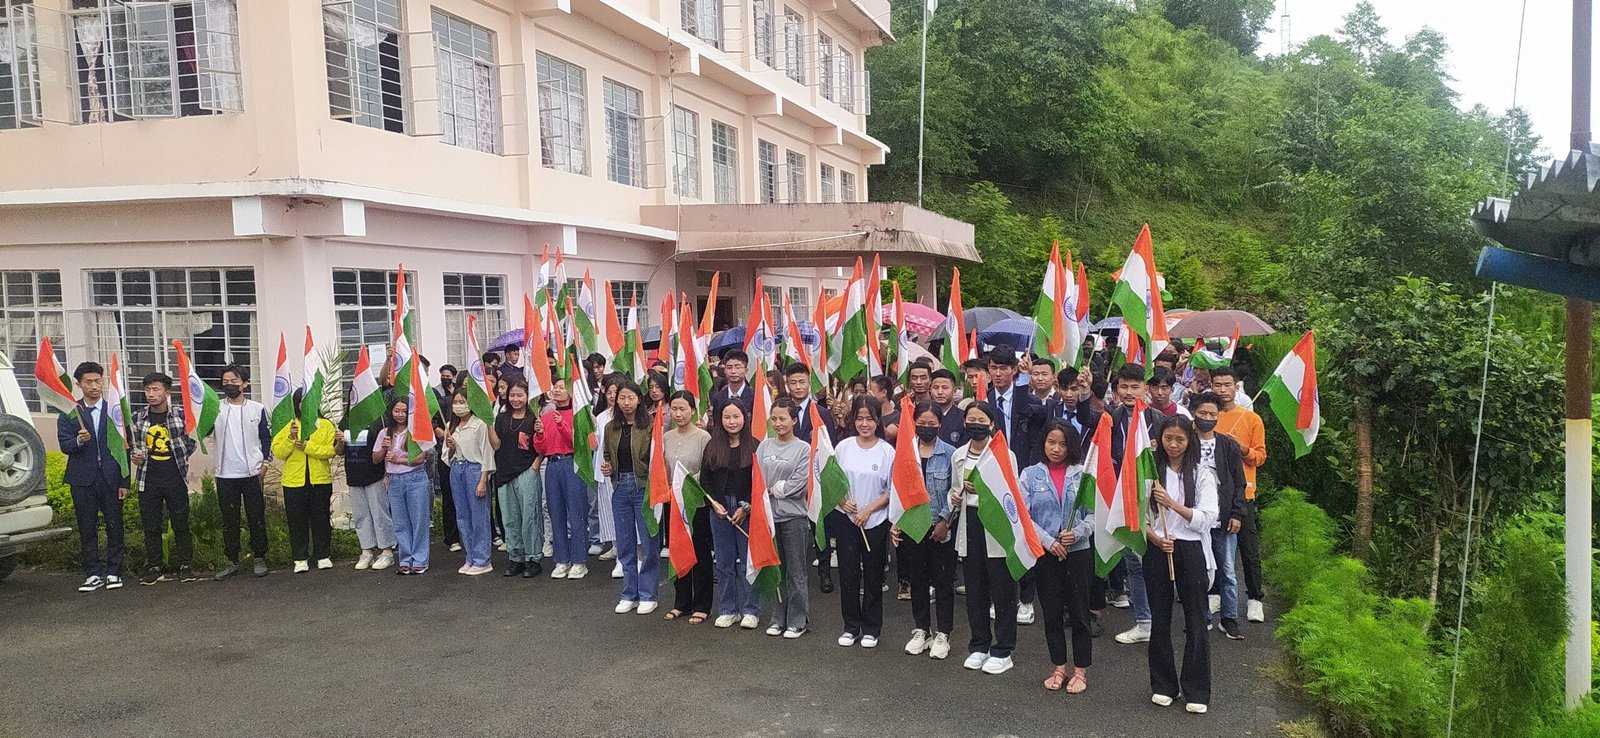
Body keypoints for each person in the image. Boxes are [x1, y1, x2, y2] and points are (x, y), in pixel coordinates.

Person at [1144, 415, 1218, 715]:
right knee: (1159, 619)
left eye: (1180, 439)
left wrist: (1172, 504)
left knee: (1196, 619)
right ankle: (1163, 685)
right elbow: (1137, 517)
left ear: (1190, 441)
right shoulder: (1150, 473)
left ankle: (1197, 689)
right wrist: (1155, 538)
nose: (1173, 445)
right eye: (1168, 439)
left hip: (1191, 549)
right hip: (1158, 547)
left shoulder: (1202, 474)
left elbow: (1208, 518)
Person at [1022, 420, 1094, 694]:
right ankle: (1059, 667)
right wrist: (1048, 541)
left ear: (1071, 446)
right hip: (1046, 554)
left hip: (1077, 553)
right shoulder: (1030, 475)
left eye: (1063, 444)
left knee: (1079, 614)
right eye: (1051, 442)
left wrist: (1077, 533)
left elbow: (1094, 514)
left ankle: (1080, 670)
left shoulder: (1083, 475)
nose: (1056, 449)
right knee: (1051, 613)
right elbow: (1024, 516)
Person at [951, 401, 1019, 674]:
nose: (975, 425)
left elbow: (1012, 494)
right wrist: (956, 496)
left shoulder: (1005, 455)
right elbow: (954, 489)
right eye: (971, 420)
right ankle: (979, 645)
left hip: (996, 525)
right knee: (975, 589)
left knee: (1002, 590)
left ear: (991, 424)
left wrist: (983, 488)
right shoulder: (959, 455)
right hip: (969, 524)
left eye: (981, 420)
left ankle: (1003, 649)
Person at [1107, 364, 1168, 645]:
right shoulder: (1111, 418)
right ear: (1117, 389)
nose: (1129, 392)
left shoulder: (1159, 420)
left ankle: (1161, 619)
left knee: (1157, 561)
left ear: (1146, 388)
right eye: (1124, 387)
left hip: (1155, 500)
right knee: (1133, 562)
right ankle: (1144, 622)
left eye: (1135, 387)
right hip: (1123, 497)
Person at [893, 402, 957, 659]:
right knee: (917, 581)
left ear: (940, 424)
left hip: (940, 527)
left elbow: (955, 491)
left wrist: (944, 521)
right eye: (921, 423)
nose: (926, 428)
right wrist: (896, 522)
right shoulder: (906, 452)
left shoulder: (951, 454)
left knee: (943, 582)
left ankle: (944, 633)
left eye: (932, 424)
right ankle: (922, 629)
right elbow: (897, 489)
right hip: (913, 526)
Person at [58, 362, 128, 592]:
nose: (94, 386)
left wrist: (124, 481)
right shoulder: (70, 412)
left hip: (110, 478)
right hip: (82, 480)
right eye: (89, 382)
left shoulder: (114, 410)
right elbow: (65, 445)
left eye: (98, 381)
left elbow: (124, 448)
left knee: (115, 526)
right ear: (79, 384)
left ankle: (114, 571)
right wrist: (79, 440)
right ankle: (93, 573)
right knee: (87, 528)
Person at [832, 395, 893, 649]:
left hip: (874, 521)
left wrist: (869, 510)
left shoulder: (887, 451)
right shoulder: (843, 447)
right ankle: (851, 627)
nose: (864, 424)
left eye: (870, 419)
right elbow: (832, 481)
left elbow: (891, 490)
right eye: (860, 418)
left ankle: (871, 628)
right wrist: (842, 501)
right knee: (848, 575)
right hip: (846, 520)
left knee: (873, 575)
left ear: (878, 421)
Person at [130, 372, 197, 585]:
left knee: (181, 524)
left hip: (175, 478)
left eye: (156, 389)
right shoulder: (137, 417)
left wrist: (181, 454)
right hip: (148, 479)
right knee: (151, 526)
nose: (151, 394)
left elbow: (192, 440)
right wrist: (135, 456)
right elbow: (132, 445)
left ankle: (185, 565)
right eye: (148, 390)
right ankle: (154, 566)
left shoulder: (181, 415)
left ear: (167, 392)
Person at [1211, 366, 1267, 623]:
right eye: (1218, 385)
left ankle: (1255, 598)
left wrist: (1242, 448)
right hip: (1212, 491)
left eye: (1227, 385)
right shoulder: (1207, 416)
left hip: (1243, 491)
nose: (1223, 390)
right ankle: (1214, 592)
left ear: (1236, 387)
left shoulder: (1251, 419)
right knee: (1213, 546)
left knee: (1248, 547)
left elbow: (1260, 457)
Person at [1191, 391, 1247, 640]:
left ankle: (1229, 618)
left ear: (1218, 416)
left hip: (1223, 518)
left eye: (1212, 414)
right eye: (1202, 413)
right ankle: (1201, 617)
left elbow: (1238, 482)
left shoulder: (1228, 445)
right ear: (1194, 413)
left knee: (1228, 571)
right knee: (1199, 571)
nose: (1207, 418)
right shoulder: (1187, 443)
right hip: (1196, 519)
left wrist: (1237, 513)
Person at [701, 399, 761, 629]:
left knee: (748, 562)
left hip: (746, 509)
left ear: (745, 417)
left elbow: (758, 482)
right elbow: (705, 480)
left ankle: (751, 610)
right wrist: (714, 503)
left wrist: (746, 507)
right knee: (724, 561)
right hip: (720, 509)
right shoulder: (713, 445)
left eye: (736, 416)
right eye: (727, 417)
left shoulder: (754, 445)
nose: (732, 422)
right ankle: (728, 609)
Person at [211, 365, 274, 580]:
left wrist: (265, 464)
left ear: (244, 384)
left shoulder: (257, 409)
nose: (229, 385)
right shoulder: (216, 409)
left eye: (234, 381)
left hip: (252, 474)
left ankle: (259, 557)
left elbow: (266, 438)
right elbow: (204, 430)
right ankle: (232, 560)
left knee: (256, 517)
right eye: (225, 382)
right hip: (225, 474)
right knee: (229, 520)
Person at [602, 380, 659, 613]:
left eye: (631, 398)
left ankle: (648, 594)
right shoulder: (611, 427)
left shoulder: (650, 426)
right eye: (622, 398)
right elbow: (607, 453)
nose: (626, 402)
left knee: (648, 543)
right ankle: (629, 594)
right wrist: (608, 467)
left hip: (643, 487)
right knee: (625, 543)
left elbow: (656, 458)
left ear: (639, 400)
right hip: (620, 487)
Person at [759, 398, 813, 638]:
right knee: (776, 570)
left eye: (783, 418)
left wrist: (774, 489)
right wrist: (773, 489)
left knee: (796, 571)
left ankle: (798, 619)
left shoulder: (803, 449)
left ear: (793, 420)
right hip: (769, 518)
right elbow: (758, 480)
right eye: (774, 419)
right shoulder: (764, 446)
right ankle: (778, 617)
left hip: (793, 518)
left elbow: (798, 486)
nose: (778, 423)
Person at [783, 362, 837, 595]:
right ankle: (792, 575)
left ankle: (824, 571)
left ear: (809, 383)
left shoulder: (821, 413)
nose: (798, 387)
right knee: (791, 528)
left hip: (815, 478)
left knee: (819, 526)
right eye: (793, 383)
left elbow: (830, 446)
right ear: (787, 385)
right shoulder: (781, 411)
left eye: (802, 382)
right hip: (789, 478)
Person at [273, 389, 338, 573]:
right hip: (294, 482)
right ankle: (300, 558)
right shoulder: (289, 425)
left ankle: (323, 555)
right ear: (297, 404)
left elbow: (331, 451)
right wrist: (290, 438)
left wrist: (308, 447)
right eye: (303, 401)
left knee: (321, 518)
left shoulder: (325, 425)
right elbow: (278, 452)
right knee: (297, 520)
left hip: (320, 480)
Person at [661, 391, 712, 622]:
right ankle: (681, 602)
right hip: (673, 504)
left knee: (700, 553)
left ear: (692, 410)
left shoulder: (703, 437)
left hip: (695, 503)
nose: (678, 413)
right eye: (674, 409)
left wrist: (685, 484)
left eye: (683, 409)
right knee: (678, 551)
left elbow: (706, 471)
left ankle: (702, 604)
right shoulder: (667, 437)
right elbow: (663, 468)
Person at [488, 377, 543, 579]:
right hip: (504, 473)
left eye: (520, 395)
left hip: (526, 471)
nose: (516, 399)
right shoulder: (502, 418)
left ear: (528, 396)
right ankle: (516, 558)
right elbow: (496, 445)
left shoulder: (534, 418)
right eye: (512, 395)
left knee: (529, 518)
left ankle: (533, 558)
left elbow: (542, 444)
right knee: (510, 519)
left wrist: (537, 462)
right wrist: (489, 425)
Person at [373, 397, 432, 574]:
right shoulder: (385, 432)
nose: (400, 415)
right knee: (400, 522)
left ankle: (420, 559)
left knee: (419, 521)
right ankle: (405, 559)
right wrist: (384, 448)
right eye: (396, 411)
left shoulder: (415, 431)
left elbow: (422, 457)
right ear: (391, 412)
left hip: (415, 478)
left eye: (404, 411)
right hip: (394, 480)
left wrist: (399, 459)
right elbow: (375, 458)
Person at [537, 378, 589, 579]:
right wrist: (539, 435)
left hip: (572, 463)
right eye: (555, 387)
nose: (557, 390)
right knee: (555, 513)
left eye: (562, 387)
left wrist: (562, 425)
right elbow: (542, 448)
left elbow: (578, 444)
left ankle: (579, 560)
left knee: (576, 513)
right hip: (552, 464)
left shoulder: (578, 414)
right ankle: (561, 559)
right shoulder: (546, 416)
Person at [444, 388, 496, 575]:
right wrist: (450, 447)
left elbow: (487, 453)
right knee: (462, 515)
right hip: (457, 468)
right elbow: (446, 456)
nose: (459, 405)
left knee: (479, 515)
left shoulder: (480, 424)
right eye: (456, 402)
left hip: (475, 469)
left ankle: (483, 559)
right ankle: (470, 557)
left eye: (462, 401)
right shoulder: (451, 426)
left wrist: (483, 480)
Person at [343, 415, 395, 571]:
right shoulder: (347, 420)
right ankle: (366, 551)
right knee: (361, 516)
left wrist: (386, 473)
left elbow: (385, 449)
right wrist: (339, 440)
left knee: (380, 514)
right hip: (354, 476)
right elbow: (339, 451)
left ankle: (386, 551)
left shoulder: (378, 419)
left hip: (374, 476)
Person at [435, 364, 462, 553]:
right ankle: (451, 537)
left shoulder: (467, 403)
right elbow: (433, 422)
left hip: (466, 457)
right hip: (446, 455)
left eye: (448, 375)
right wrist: (443, 434)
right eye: (442, 375)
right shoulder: (440, 399)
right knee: (449, 498)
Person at [929, 368, 965, 447]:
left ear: (954, 391)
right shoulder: (924, 416)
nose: (940, 392)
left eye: (945, 388)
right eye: (936, 388)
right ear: (930, 390)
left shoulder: (963, 417)